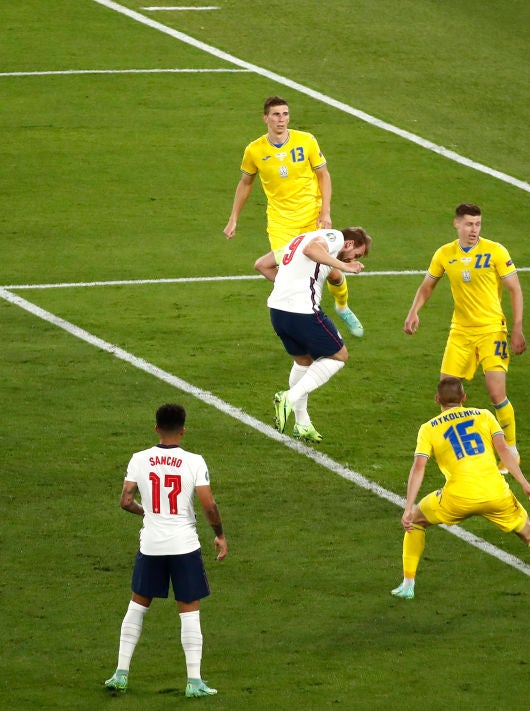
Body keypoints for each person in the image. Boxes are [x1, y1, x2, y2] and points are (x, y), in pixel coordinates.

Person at [391, 377, 530, 603]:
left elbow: (419, 468)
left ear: (437, 400)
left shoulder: (428, 429)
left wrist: (407, 508)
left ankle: (408, 585)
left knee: (416, 520)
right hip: (496, 493)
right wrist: (525, 484)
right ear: (464, 398)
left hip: (457, 497)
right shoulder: (484, 415)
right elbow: (504, 452)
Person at [104, 404, 228, 698]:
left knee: (137, 606)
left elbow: (125, 500)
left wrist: (146, 512)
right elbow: (208, 505)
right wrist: (220, 535)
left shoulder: (139, 459)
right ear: (183, 430)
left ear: (156, 428)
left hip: (151, 545)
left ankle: (120, 673)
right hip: (184, 545)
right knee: (189, 611)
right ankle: (194, 681)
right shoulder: (194, 461)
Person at [224, 95, 364, 337]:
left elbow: (324, 175)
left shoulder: (306, 141)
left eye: (285, 114)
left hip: (312, 218)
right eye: (276, 114)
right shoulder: (254, 150)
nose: (282, 119)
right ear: (265, 118)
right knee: (288, 272)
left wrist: (326, 211)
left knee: (332, 272)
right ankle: (314, 312)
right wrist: (234, 217)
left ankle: (343, 308)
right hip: (281, 224)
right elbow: (245, 183)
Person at [404, 203, 525, 472]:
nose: (474, 230)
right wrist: (414, 311)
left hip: (492, 329)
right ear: (456, 224)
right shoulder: (445, 254)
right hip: (460, 332)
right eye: (469, 224)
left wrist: (517, 327)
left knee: (496, 394)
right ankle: (455, 454)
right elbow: (427, 286)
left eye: (478, 224)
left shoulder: (495, 251)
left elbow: (515, 289)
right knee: (446, 390)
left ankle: (511, 451)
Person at [268, 227, 371, 442]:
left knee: (304, 362)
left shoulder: (297, 238)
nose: (355, 258)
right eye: (357, 254)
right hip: (302, 311)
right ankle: (289, 397)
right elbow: (312, 249)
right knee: (340, 356)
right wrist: (347, 266)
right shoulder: (335, 237)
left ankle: (302, 423)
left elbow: (263, 264)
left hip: (277, 312)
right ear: (350, 244)